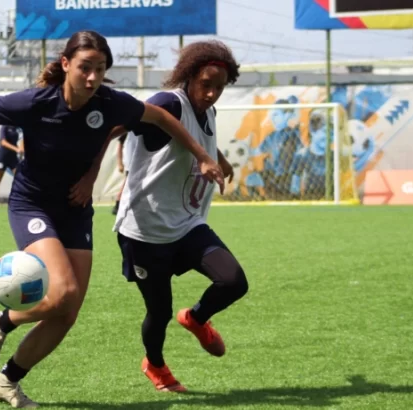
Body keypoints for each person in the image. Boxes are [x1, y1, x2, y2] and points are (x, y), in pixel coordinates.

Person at [0, 30, 224, 408]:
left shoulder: (111, 103)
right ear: (65, 65)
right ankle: (0, 323)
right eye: (84, 68)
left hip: (75, 211)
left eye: (100, 69)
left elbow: (159, 116)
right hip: (33, 206)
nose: (92, 78)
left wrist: (203, 156)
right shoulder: (35, 101)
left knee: (67, 312)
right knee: (63, 293)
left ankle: (8, 381)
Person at [113, 40, 249, 392]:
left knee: (234, 281)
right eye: (206, 84)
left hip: (188, 225)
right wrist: (86, 170)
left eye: (219, 87)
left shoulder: (209, 112)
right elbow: (118, 124)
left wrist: (216, 155)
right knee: (158, 311)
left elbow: (192, 135)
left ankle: (197, 317)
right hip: (146, 230)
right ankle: (155, 364)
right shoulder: (168, 102)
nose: (212, 93)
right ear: (188, 76)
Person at [0, 125, 23, 213]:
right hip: (2, 157)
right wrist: (16, 149)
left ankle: (20, 203)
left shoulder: (18, 128)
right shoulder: (4, 127)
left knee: (20, 180)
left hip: (13, 159)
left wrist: (22, 149)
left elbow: (22, 140)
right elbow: (3, 142)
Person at [111, 132, 136, 215]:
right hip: (130, 161)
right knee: (127, 183)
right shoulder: (127, 130)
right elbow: (120, 146)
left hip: (136, 161)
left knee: (128, 183)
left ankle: (119, 205)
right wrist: (120, 163)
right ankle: (117, 205)